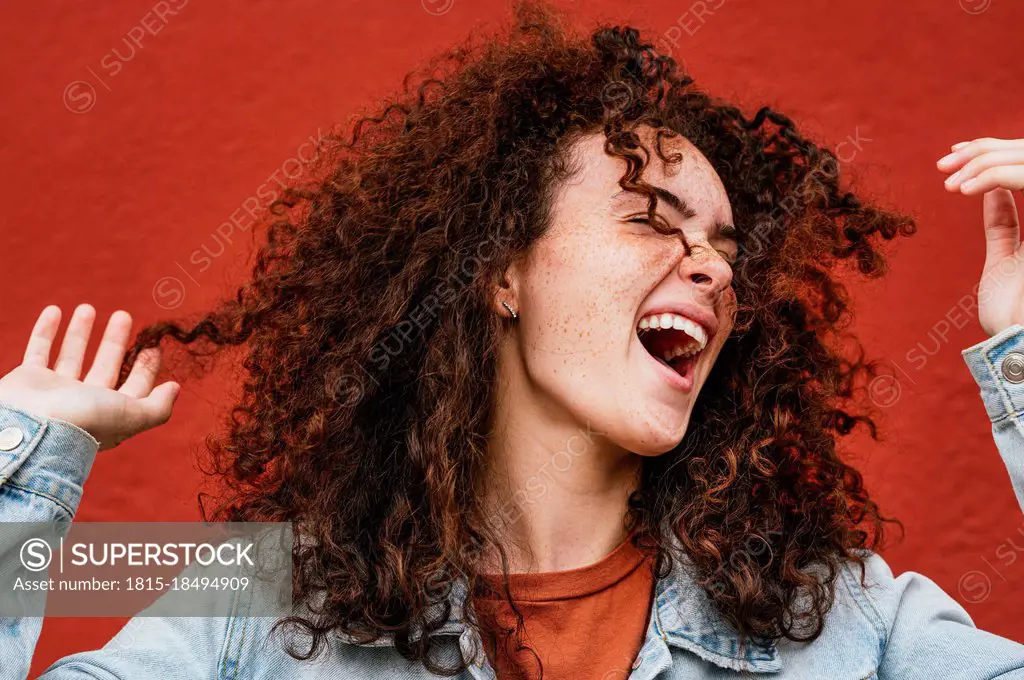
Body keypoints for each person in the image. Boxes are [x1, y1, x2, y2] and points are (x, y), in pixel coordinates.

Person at [1, 2, 1023, 678]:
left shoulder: (847, 615)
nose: (714, 266)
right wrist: (28, 457)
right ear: (501, 269)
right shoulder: (255, 590)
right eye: (649, 218)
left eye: (722, 244)